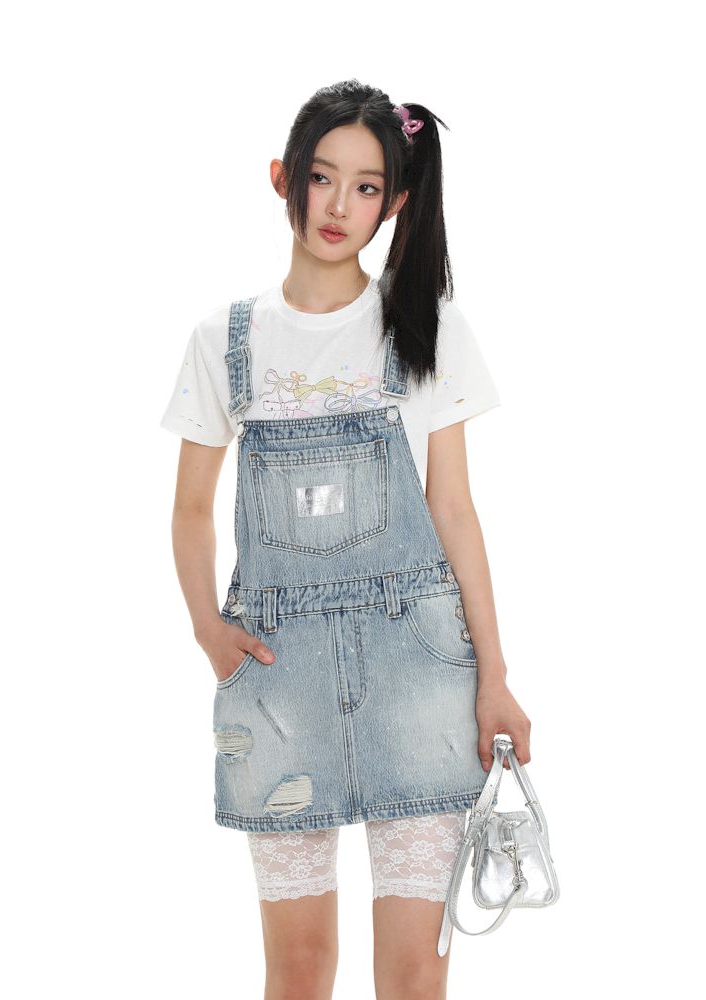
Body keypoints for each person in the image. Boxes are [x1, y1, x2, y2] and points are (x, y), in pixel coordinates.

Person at [160, 79, 531, 1000]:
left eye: (366, 187)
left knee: (412, 976)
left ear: (394, 203)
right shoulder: (225, 339)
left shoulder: (426, 327)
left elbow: (454, 510)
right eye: (322, 178)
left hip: (419, 672)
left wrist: (495, 676)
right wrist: (207, 627)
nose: (338, 206)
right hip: (279, 680)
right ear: (282, 178)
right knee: (297, 969)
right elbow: (191, 508)